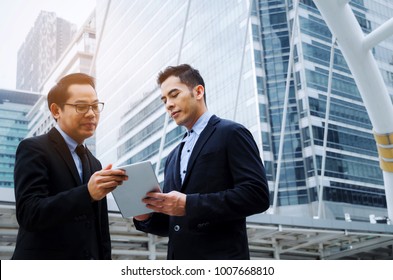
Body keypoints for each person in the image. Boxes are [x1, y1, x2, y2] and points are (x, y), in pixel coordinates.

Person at [134, 64, 270, 259]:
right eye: (164, 100)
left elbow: (257, 196)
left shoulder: (231, 133)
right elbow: (173, 224)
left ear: (198, 91)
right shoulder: (172, 157)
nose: (168, 105)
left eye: (174, 94)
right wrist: (145, 217)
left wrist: (189, 204)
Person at [12, 73, 128, 260]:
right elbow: (29, 213)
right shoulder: (33, 148)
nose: (91, 114)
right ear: (56, 110)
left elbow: (100, 230)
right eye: (81, 106)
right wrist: (87, 193)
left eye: (95, 106)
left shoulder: (94, 162)